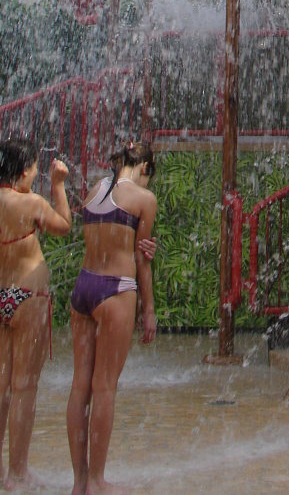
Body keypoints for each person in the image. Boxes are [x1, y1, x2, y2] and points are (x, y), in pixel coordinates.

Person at [67, 141, 157, 495]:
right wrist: (148, 310)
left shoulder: (94, 190)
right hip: (116, 290)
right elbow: (141, 259)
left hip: (83, 288)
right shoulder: (143, 199)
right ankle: (97, 481)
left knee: (80, 386)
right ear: (145, 167)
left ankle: (79, 482)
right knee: (104, 387)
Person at [0, 137, 72, 490]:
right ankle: (17, 472)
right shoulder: (30, 202)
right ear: (24, 170)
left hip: (0, 294)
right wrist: (58, 185)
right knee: (24, 386)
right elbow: (63, 226)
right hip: (28, 296)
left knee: (1, 387)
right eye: (34, 170)